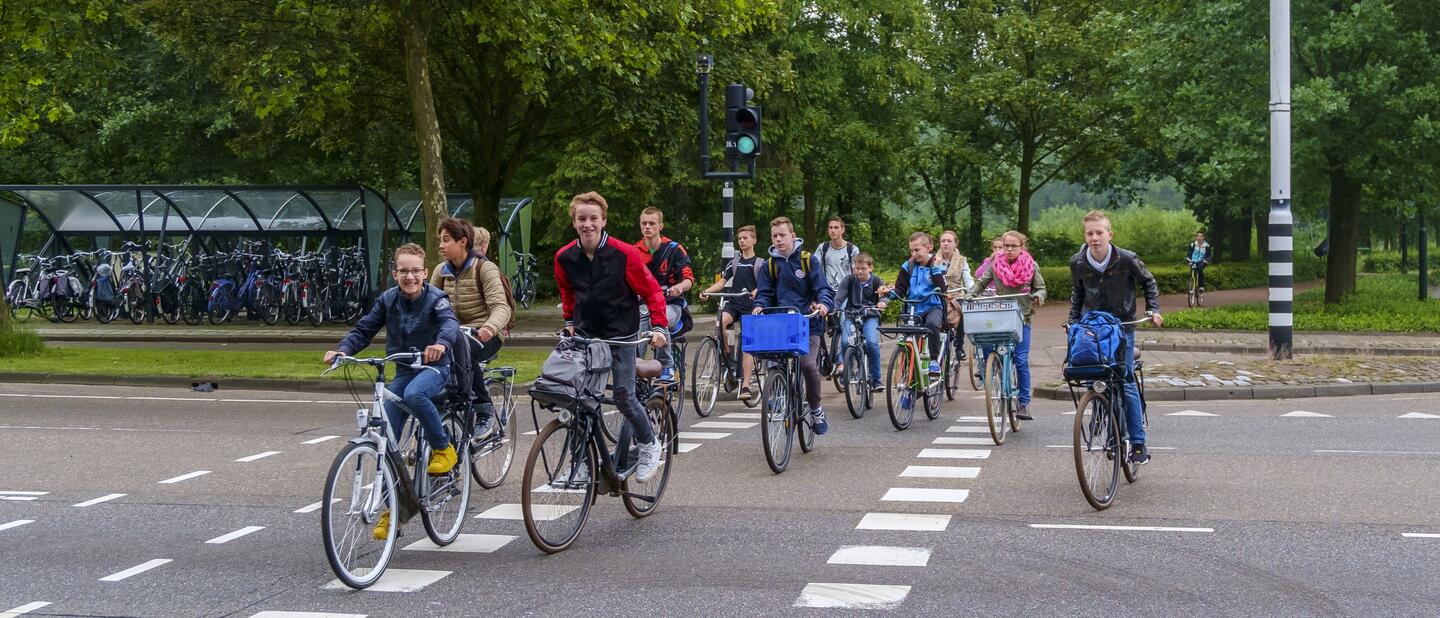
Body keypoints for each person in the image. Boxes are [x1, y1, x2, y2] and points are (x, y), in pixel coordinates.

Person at [324, 243, 459, 541]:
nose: (409, 277)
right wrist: (343, 351)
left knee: (414, 395)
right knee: (385, 440)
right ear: (394, 274)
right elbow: (364, 329)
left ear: (425, 272)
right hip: (403, 369)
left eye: (415, 271)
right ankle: (394, 510)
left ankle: (443, 448)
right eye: (403, 271)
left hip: (434, 368)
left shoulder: (437, 299)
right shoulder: (388, 300)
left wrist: (440, 345)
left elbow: (449, 324)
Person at [555, 191, 667, 482]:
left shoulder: (624, 254)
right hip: (587, 334)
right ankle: (580, 462)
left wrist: (658, 327)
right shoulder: (565, 257)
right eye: (582, 218)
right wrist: (569, 321)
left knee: (623, 396)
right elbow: (568, 292)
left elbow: (652, 290)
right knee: (578, 399)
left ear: (603, 220)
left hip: (621, 334)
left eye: (593, 218)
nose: (587, 224)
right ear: (574, 222)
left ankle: (649, 443)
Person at [1068, 210, 1162, 464]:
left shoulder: (1127, 259)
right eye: (1090, 233)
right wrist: (1072, 322)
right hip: (1092, 327)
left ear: (1110, 234)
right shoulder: (1078, 262)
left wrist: (1153, 310)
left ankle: (1138, 443)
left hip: (1123, 326)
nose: (1094, 238)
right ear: (1085, 235)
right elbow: (1077, 294)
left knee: (1125, 379)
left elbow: (1149, 282)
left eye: (1099, 232)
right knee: (1089, 369)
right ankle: (1097, 405)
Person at [753, 216, 835, 435]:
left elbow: (822, 288)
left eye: (782, 235)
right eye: (774, 236)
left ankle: (816, 408)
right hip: (780, 324)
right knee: (772, 362)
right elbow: (764, 293)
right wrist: (759, 306)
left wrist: (824, 304)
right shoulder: (770, 264)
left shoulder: (808, 260)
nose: (778, 240)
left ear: (792, 236)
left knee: (808, 365)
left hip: (808, 322)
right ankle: (778, 393)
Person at [431, 218, 512, 438]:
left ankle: (483, 407)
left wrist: (489, 327)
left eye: (446, 240)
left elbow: (501, 307)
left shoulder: (484, 268)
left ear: (463, 241)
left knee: (463, 347)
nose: (440, 245)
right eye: (440, 240)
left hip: (484, 335)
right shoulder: (441, 270)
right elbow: (428, 306)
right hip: (451, 334)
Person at [970, 231, 1047, 421]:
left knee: (1021, 359)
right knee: (986, 343)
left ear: (1022, 247)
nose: (1009, 249)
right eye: (1006, 246)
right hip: (1000, 316)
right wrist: (970, 295)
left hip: (1023, 318)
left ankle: (1024, 403)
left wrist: (1038, 296)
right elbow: (981, 283)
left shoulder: (1031, 265)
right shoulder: (996, 265)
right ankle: (994, 372)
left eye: (1014, 246)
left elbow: (1041, 288)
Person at [699, 224, 761, 405]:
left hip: (751, 306)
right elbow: (722, 283)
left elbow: (764, 285)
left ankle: (746, 386)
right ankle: (727, 353)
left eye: (746, 238)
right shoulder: (734, 262)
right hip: (734, 302)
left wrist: (757, 291)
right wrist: (707, 291)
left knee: (747, 344)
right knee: (720, 323)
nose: (742, 241)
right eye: (740, 239)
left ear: (754, 240)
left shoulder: (759, 264)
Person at [635, 207, 695, 382]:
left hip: (671, 305)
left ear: (660, 226)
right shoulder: (634, 251)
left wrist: (679, 287)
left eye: (652, 223)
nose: (647, 227)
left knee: (657, 319)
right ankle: (634, 364)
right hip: (642, 306)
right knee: (630, 325)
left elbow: (688, 278)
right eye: (644, 223)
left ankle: (666, 366)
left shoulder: (675, 249)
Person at [887, 232, 949, 376]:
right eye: (912, 250)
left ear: (929, 247)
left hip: (932, 306)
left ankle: (934, 361)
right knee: (908, 334)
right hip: (913, 308)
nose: (914, 254)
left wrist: (935, 269)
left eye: (917, 250)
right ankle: (909, 371)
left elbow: (943, 288)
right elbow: (900, 289)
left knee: (932, 324)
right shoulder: (907, 266)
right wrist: (890, 293)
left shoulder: (937, 265)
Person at [834, 252, 887, 393]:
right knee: (846, 341)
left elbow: (884, 295)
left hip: (870, 316)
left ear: (870, 268)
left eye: (863, 268)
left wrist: (882, 302)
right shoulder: (849, 280)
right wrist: (835, 309)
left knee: (872, 343)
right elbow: (839, 297)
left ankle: (876, 379)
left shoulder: (877, 281)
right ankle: (846, 369)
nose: (859, 271)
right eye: (857, 268)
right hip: (851, 315)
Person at [818, 217, 860, 374]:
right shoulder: (823, 249)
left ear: (843, 230)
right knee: (816, 320)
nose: (833, 230)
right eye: (830, 227)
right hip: (827, 292)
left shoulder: (851, 250)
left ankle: (842, 360)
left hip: (846, 293)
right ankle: (820, 356)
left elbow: (859, 271)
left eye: (836, 227)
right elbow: (815, 269)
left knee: (844, 321)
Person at [935, 230, 974, 358]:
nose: (946, 244)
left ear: (955, 244)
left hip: (956, 294)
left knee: (962, 312)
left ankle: (959, 346)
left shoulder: (962, 261)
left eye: (949, 241)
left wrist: (973, 292)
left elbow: (967, 279)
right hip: (939, 294)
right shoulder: (934, 260)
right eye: (943, 241)